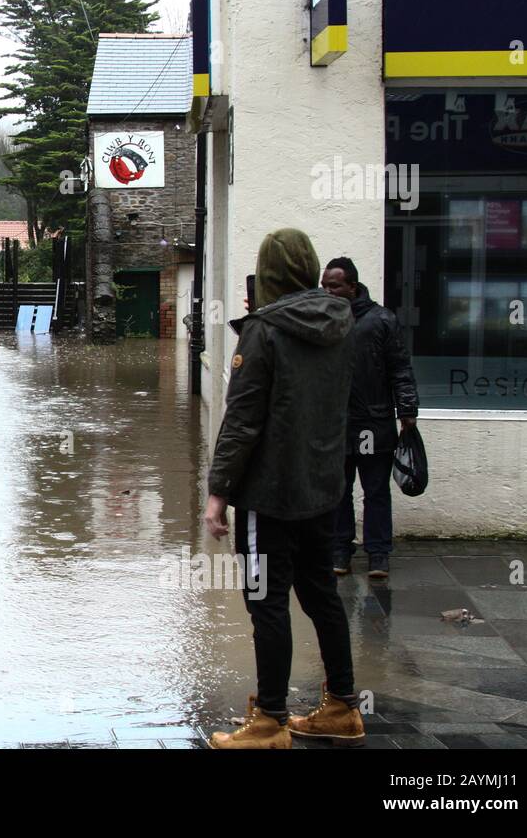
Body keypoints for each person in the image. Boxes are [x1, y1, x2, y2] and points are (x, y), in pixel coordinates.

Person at [203, 228, 364, 749]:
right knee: (321, 594)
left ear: (269, 272)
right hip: (322, 490)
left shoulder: (264, 331)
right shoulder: (342, 323)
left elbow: (242, 421)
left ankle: (270, 721)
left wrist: (218, 493)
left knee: (265, 601)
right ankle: (342, 706)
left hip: (268, 496)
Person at [320, 257, 419, 580]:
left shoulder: (382, 320)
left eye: (334, 286)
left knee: (376, 490)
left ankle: (378, 554)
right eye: (324, 286)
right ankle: (340, 550)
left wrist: (407, 412)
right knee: (339, 491)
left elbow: (400, 368)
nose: (328, 292)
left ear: (352, 285)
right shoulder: (322, 320)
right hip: (336, 424)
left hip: (374, 423)